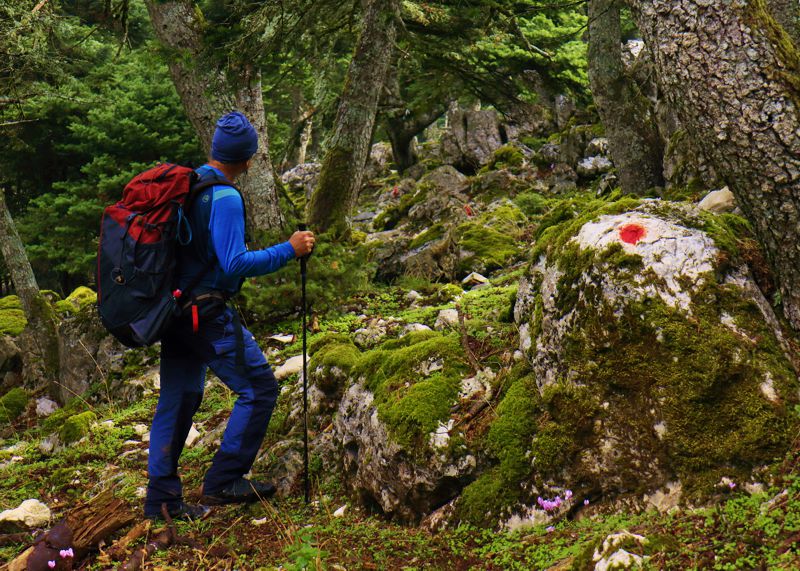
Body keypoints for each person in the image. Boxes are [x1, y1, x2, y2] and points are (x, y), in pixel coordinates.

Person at [144, 111, 315, 520]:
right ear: (248, 159)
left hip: (175, 312)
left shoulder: (193, 183)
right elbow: (235, 262)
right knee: (259, 389)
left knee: (178, 398)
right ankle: (224, 481)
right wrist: (289, 249)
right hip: (206, 314)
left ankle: (161, 501)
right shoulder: (225, 196)